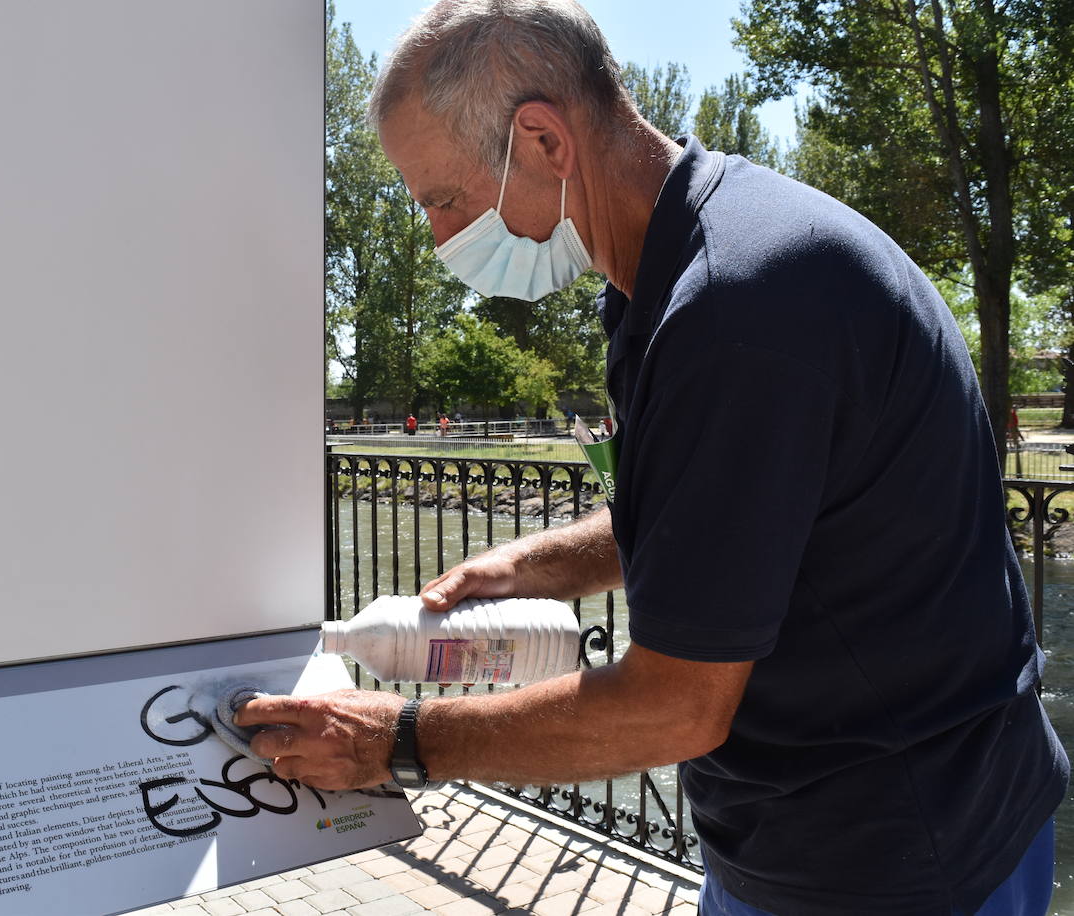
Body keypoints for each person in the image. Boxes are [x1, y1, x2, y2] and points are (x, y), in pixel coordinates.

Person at [238, 2, 1067, 913]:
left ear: (544, 138)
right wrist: (534, 564)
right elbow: (718, 518)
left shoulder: (734, 312)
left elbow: (676, 705)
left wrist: (396, 740)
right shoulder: (679, 266)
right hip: (806, 832)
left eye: (443, 199)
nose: (438, 240)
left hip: (901, 855)